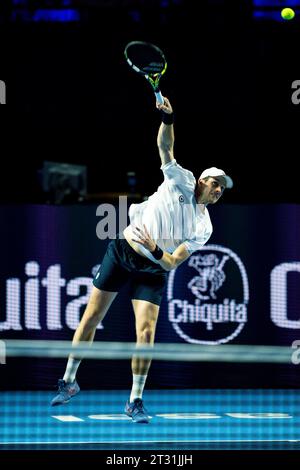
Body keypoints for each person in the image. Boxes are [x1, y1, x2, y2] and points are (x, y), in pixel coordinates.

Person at [50, 96, 233, 423]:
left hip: (152, 269)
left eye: (223, 188)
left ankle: (135, 400)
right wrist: (169, 119)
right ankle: (69, 380)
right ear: (203, 181)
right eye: (216, 183)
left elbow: (173, 262)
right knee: (92, 316)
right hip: (122, 251)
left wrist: (155, 248)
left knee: (145, 334)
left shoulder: (204, 226)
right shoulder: (181, 178)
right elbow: (166, 147)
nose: (219, 190)